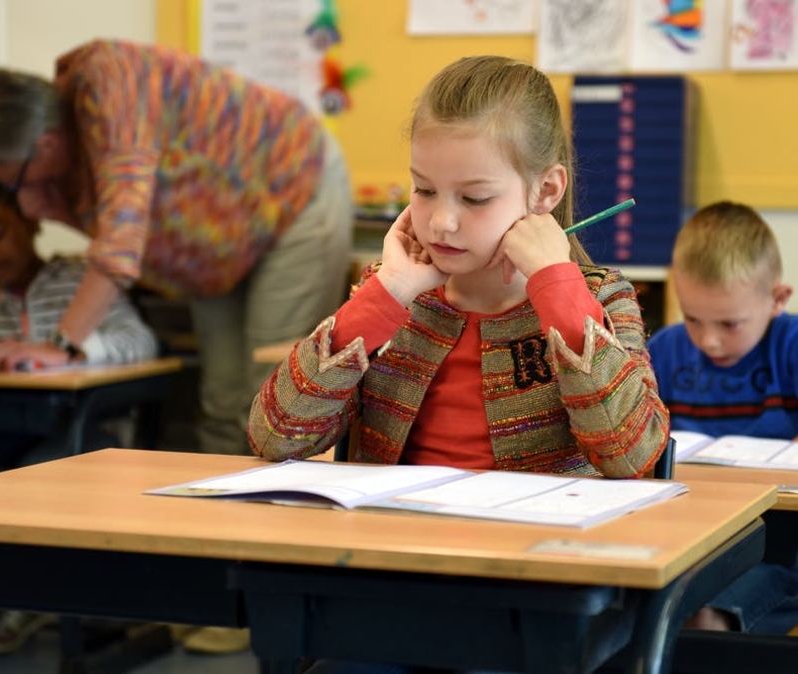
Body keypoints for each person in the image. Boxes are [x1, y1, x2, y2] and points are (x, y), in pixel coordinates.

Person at [0, 38, 353, 654]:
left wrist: (62, 344)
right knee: (219, 409)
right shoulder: (56, 165)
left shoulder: (109, 79)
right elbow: (126, 229)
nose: (5, 193)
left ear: (42, 146)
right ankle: (222, 590)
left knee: (281, 409)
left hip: (293, 199)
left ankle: (286, 601)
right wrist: (48, 199)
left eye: (3, 178)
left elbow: (122, 235)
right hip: (212, 251)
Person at [249, 55, 669, 505]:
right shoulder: (395, 294)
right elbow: (275, 435)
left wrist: (558, 287)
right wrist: (386, 294)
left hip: (532, 555)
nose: (442, 222)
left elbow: (630, 455)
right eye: (425, 190)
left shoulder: (600, 298)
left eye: (475, 198)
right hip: (392, 548)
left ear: (546, 191)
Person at [0, 180, 159, 655]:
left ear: (30, 224)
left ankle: (20, 602)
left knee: (28, 479)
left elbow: (140, 343)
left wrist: (69, 353)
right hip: (5, 429)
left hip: (83, 430)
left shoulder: (80, 280)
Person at [648, 201, 798, 634]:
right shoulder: (668, 348)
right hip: (689, 524)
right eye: (693, 318)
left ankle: (716, 621)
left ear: (777, 300)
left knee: (712, 610)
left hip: (776, 532)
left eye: (730, 324)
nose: (709, 340)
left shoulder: (789, 342)